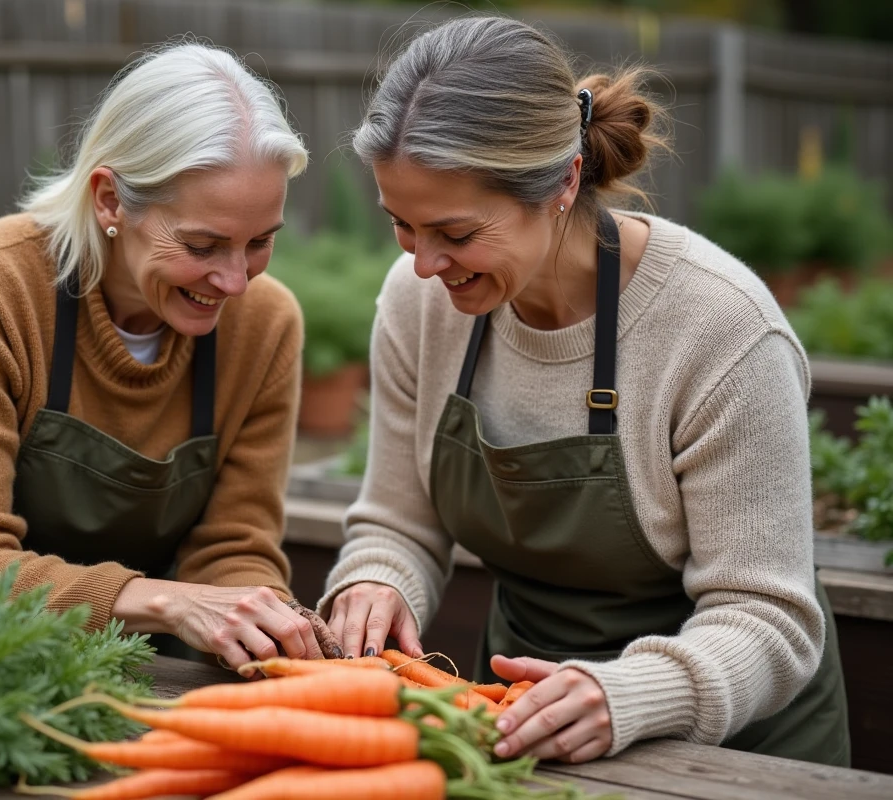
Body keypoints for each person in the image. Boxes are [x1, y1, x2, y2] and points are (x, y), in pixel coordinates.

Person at [317, 16, 849, 766]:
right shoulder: (418, 303)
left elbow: (768, 618)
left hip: (735, 754)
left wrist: (629, 693)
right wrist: (377, 583)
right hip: (525, 725)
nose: (426, 264)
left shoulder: (720, 331)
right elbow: (399, 521)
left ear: (564, 182)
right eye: (402, 227)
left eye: (457, 233)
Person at [0, 42, 342, 668]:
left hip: (143, 660)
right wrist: (169, 602)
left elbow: (234, 543)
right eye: (204, 245)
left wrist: (268, 628)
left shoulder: (264, 323)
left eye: (259, 242)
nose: (235, 281)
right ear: (110, 201)